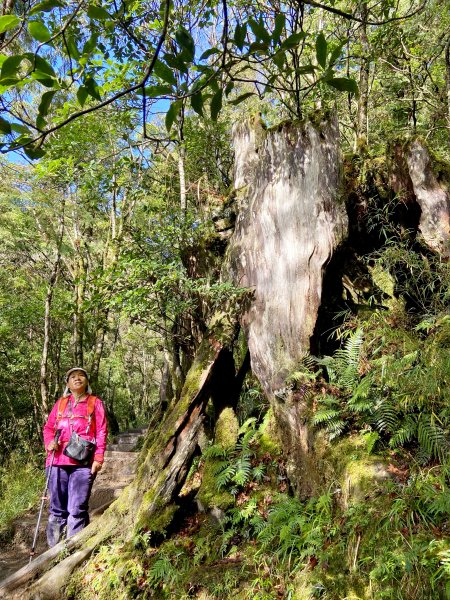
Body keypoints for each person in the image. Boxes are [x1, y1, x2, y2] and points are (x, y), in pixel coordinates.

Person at [43, 367, 108, 547]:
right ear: (67, 383)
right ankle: (53, 552)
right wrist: (49, 442)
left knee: (77, 509)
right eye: (72, 377)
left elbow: (101, 430)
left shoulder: (95, 403)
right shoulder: (61, 403)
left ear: (87, 381)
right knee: (56, 510)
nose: (77, 378)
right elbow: (48, 428)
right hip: (56, 462)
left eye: (81, 376)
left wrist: (99, 457)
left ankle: (72, 549)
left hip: (82, 463)